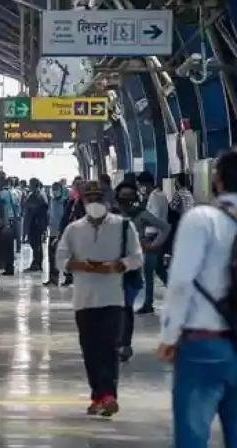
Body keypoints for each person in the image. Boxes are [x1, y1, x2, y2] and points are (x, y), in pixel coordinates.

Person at [158, 151, 237, 448]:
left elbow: (180, 281)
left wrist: (168, 335)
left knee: (192, 436)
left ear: (216, 181)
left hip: (205, 343)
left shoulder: (202, 219)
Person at [56, 181, 143, 417]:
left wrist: (119, 265)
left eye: (98, 199)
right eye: (89, 199)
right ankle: (98, 395)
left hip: (113, 298)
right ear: (83, 202)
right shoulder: (73, 230)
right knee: (90, 350)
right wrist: (80, 265)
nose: (94, 203)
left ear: (107, 201)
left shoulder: (123, 227)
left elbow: (137, 257)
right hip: (84, 300)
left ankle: (108, 395)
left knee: (109, 348)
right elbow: (60, 258)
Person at [113, 182, 170, 362]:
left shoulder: (139, 215)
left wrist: (152, 245)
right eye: (124, 197)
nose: (127, 201)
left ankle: (124, 344)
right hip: (112, 266)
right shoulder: (110, 215)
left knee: (126, 306)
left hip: (130, 266)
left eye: (130, 197)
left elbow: (165, 227)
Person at [137, 171, 169, 314]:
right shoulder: (160, 195)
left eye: (141, 185)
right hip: (158, 236)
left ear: (146, 184)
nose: (141, 188)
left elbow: (154, 217)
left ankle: (148, 303)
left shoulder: (155, 197)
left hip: (153, 236)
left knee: (148, 272)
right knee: (159, 270)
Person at [23, 178, 48, 272]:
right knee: (35, 244)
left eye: (31, 184)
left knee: (36, 244)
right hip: (35, 222)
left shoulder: (38, 195)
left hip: (36, 223)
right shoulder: (37, 194)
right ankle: (36, 262)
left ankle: (36, 263)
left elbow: (39, 208)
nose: (29, 186)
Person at [44, 182, 66, 286]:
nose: (54, 191)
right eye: (53, 189)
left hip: (62, 233)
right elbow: (49, 215)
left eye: (56, 189)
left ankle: (68, 277)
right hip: (52, 232)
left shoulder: (64, 202)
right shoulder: (51, 201)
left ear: (60, 190)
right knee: (51, 256)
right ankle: (53, 279)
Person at [0, 176, 16, 275]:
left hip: (6, 221)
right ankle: (9, 267)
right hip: (11, 220)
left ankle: (8, 267)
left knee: (6, 247)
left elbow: (4, 209)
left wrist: (5, 223)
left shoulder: (2, 194)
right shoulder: (9, 192)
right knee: (9, 247)